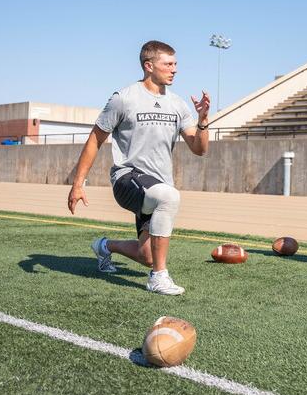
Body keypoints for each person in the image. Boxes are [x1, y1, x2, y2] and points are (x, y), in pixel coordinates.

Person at [67, 40, 210, 295]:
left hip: (156, 186)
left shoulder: (177, 104)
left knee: (148, 255)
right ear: (149, 66)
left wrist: (202, 122)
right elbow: (95, 139)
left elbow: (199, 149)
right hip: (127, 178)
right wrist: (78, 184)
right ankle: (158, 278)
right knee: (170, 197)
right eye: (168, 64)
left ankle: (104, 246)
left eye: (176, 64)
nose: (174, 69)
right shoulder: (124, 98)